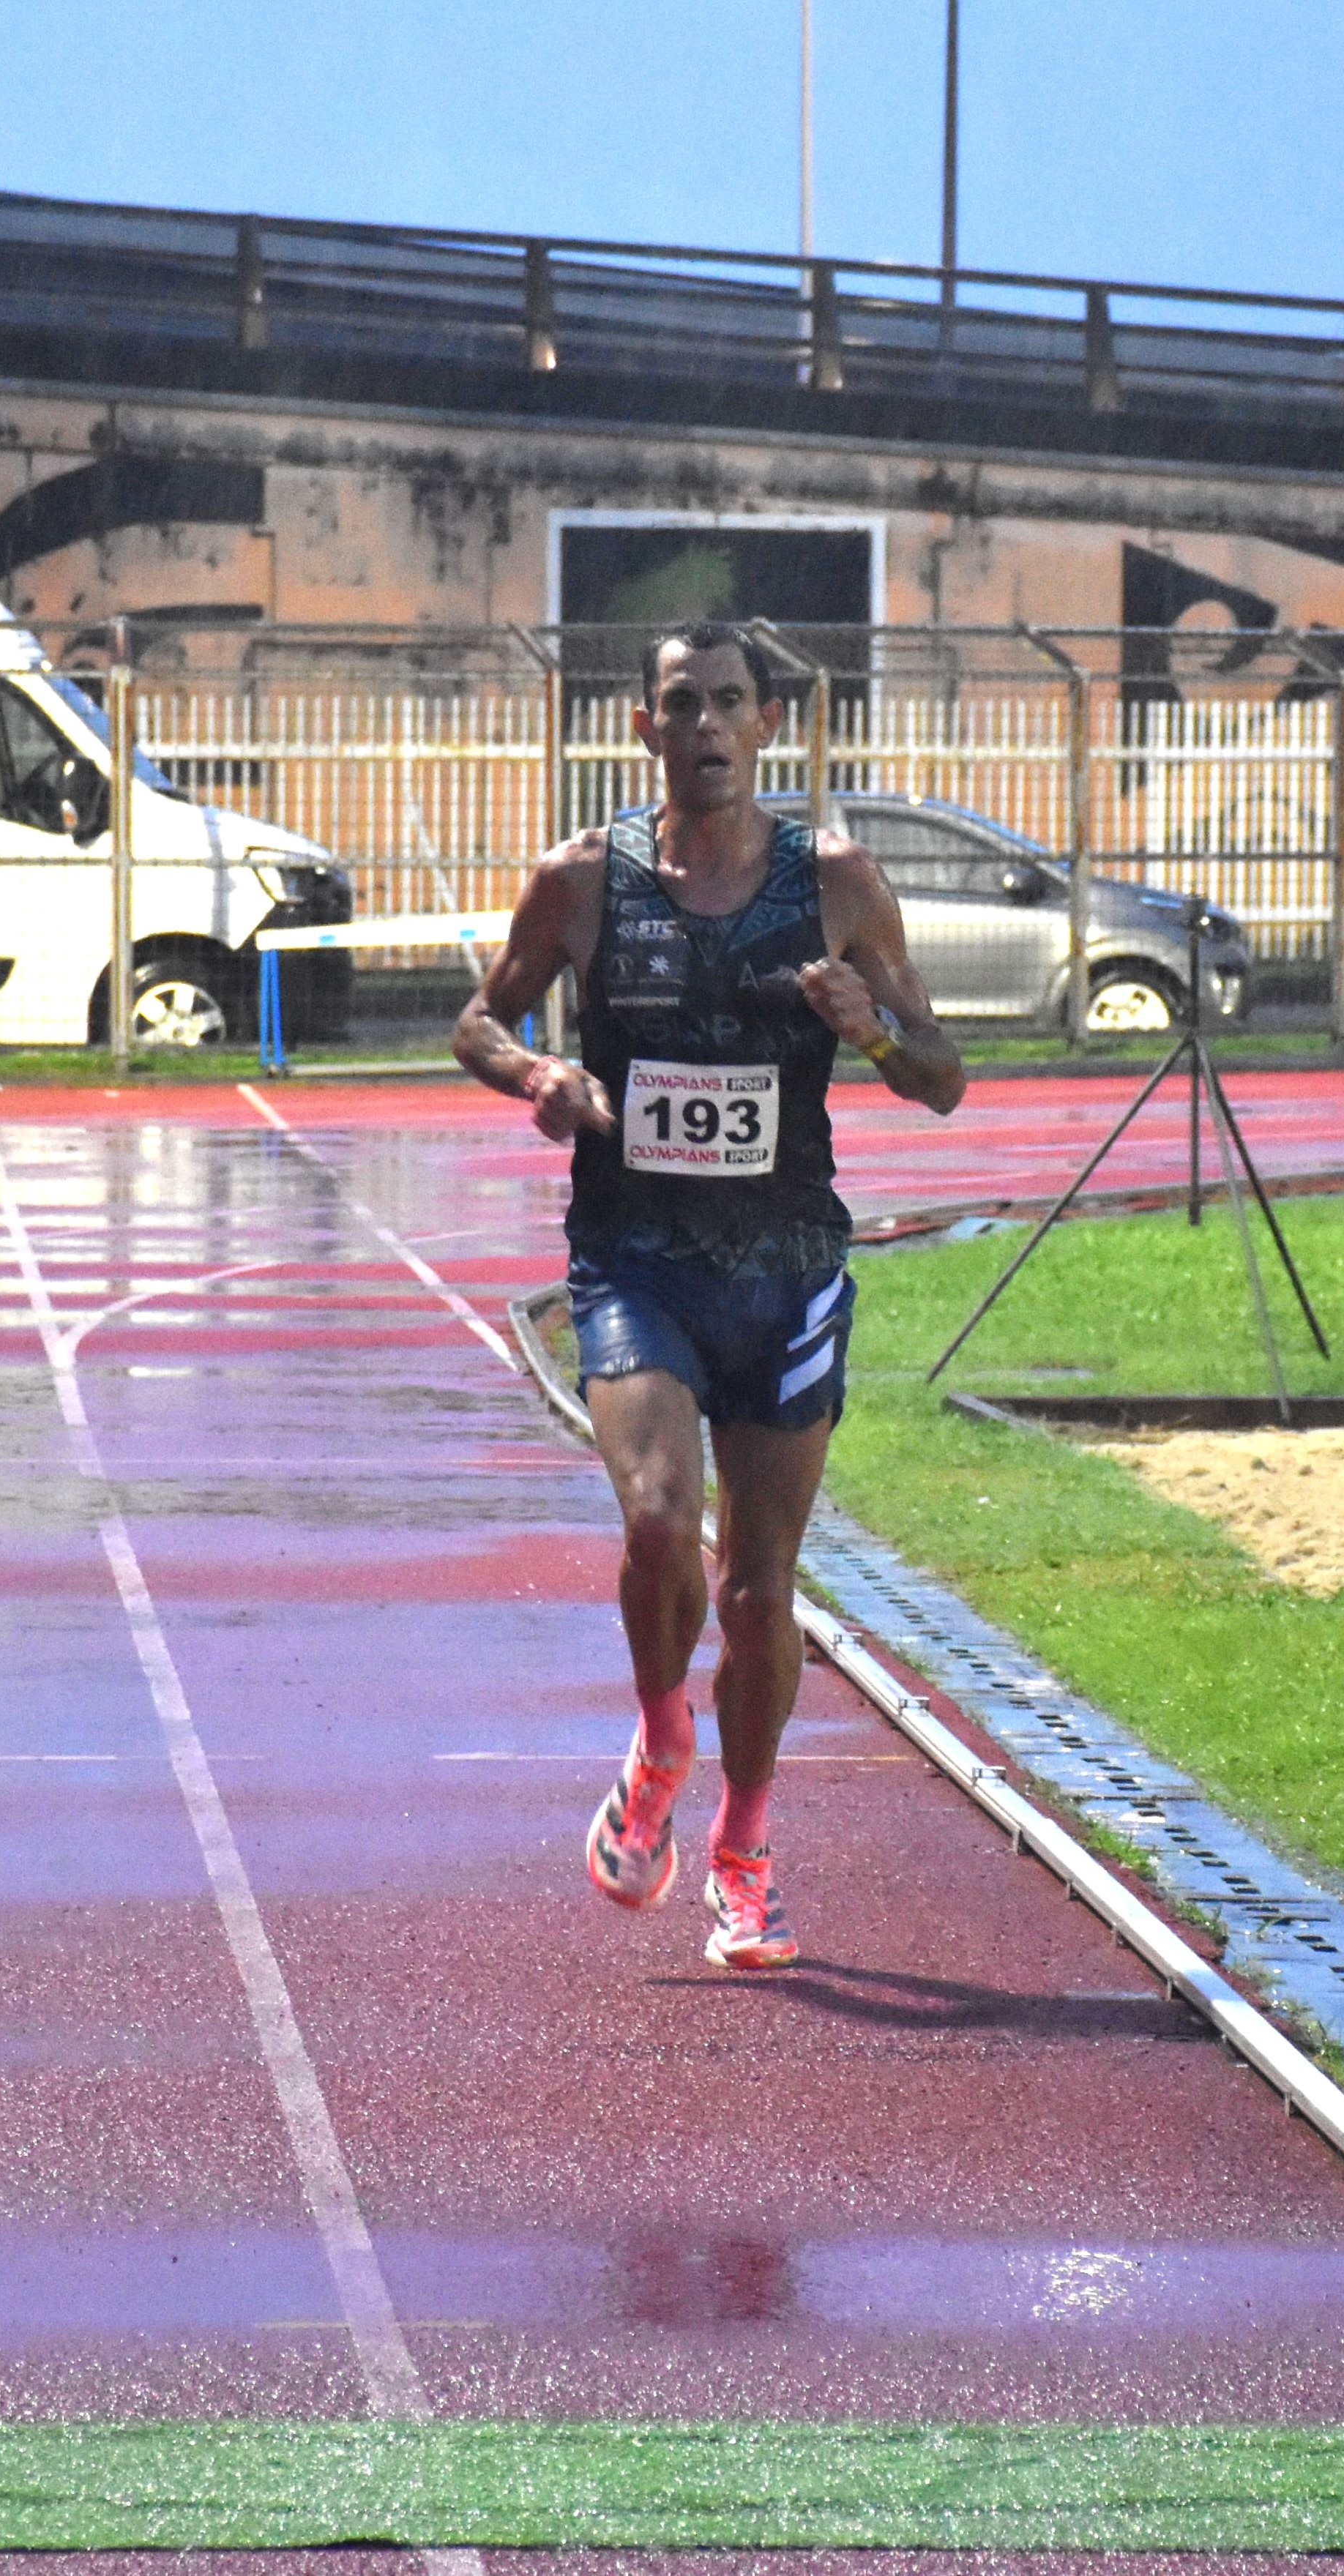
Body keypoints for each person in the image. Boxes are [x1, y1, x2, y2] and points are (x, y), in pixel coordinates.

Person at [455, 619, 964, 1970]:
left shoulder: (835, 883)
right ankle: (659, 1734)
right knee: (656, 1521)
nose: (705, 728)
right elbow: (480, 1020)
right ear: (643, 727)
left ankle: (743, 1849)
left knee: (756, 1593)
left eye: (728, 704)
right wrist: (539, 1077)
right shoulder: (583, 881)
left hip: (786, 1273)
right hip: (637, 1259)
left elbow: (944, 1076)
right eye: (680, 705)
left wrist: (872, 1030)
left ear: (767, 725)